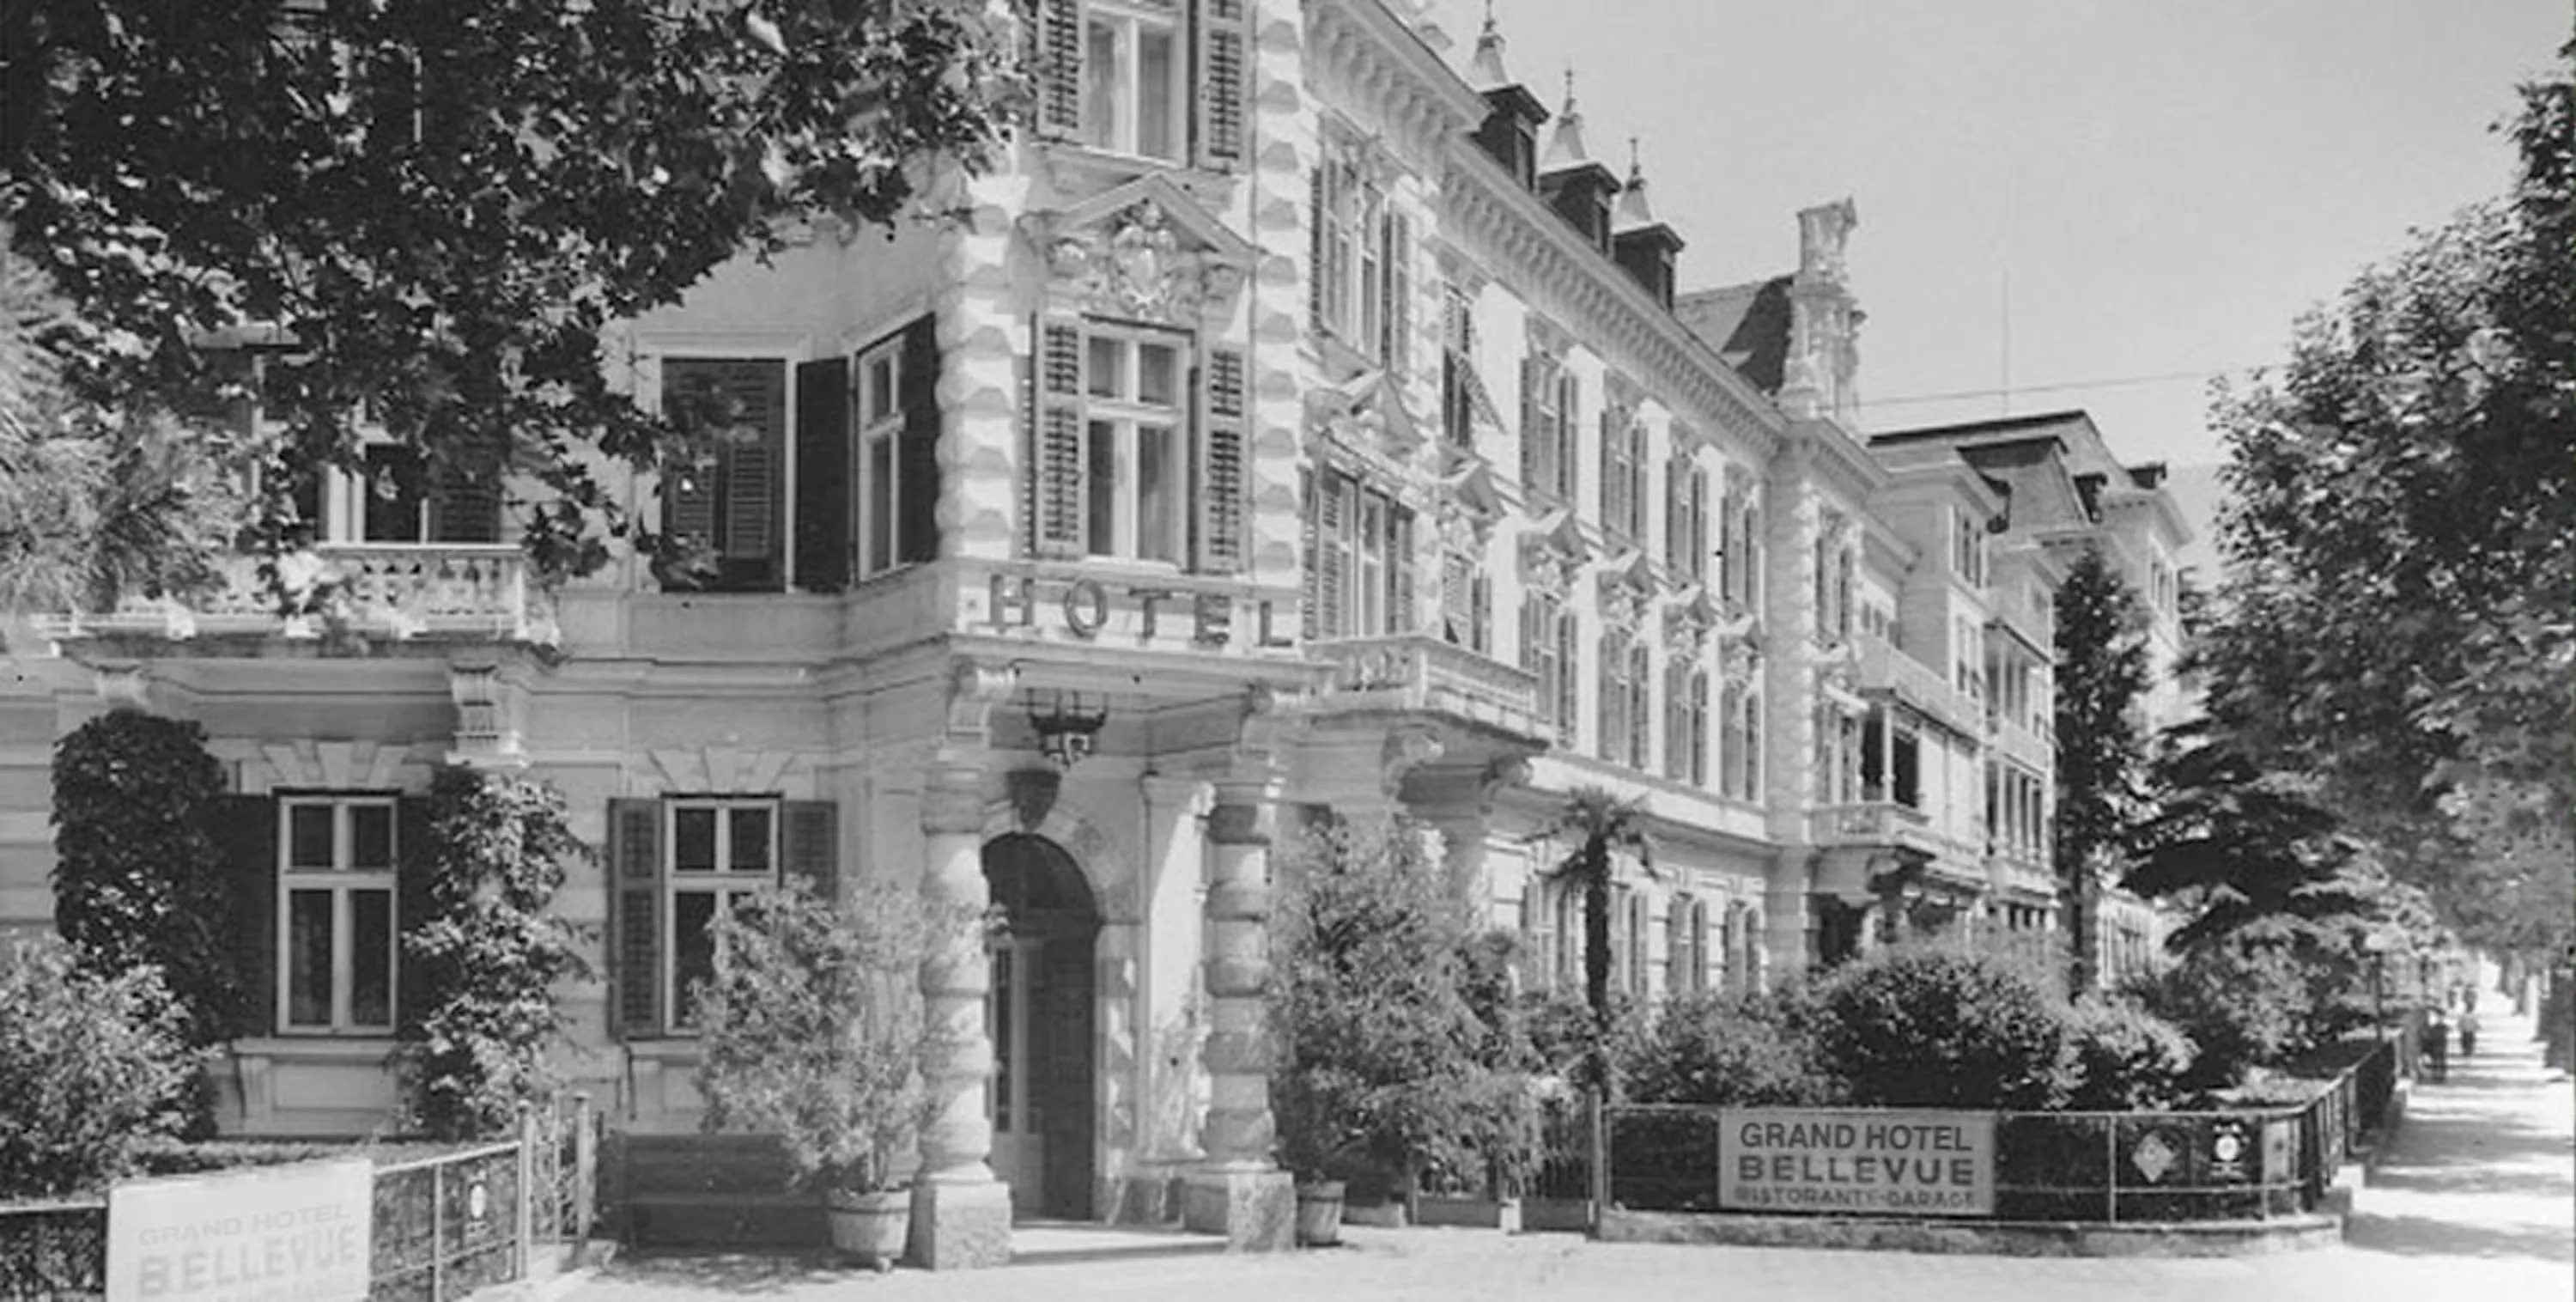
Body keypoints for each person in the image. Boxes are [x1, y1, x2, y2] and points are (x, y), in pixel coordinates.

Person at [2425, 1007, 2451, 1083]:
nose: (2440, 1018)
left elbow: (2447, 1032)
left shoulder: (2445, 1027)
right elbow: (2429, 1036)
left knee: (2442, 1060)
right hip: (2434, 1045)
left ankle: (2442, 1076)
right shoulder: (2433, 1027)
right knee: (2435, 1060)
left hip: (2442, 1046)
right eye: (2438, 1017)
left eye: (2441, 1017)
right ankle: (2435, 1075)